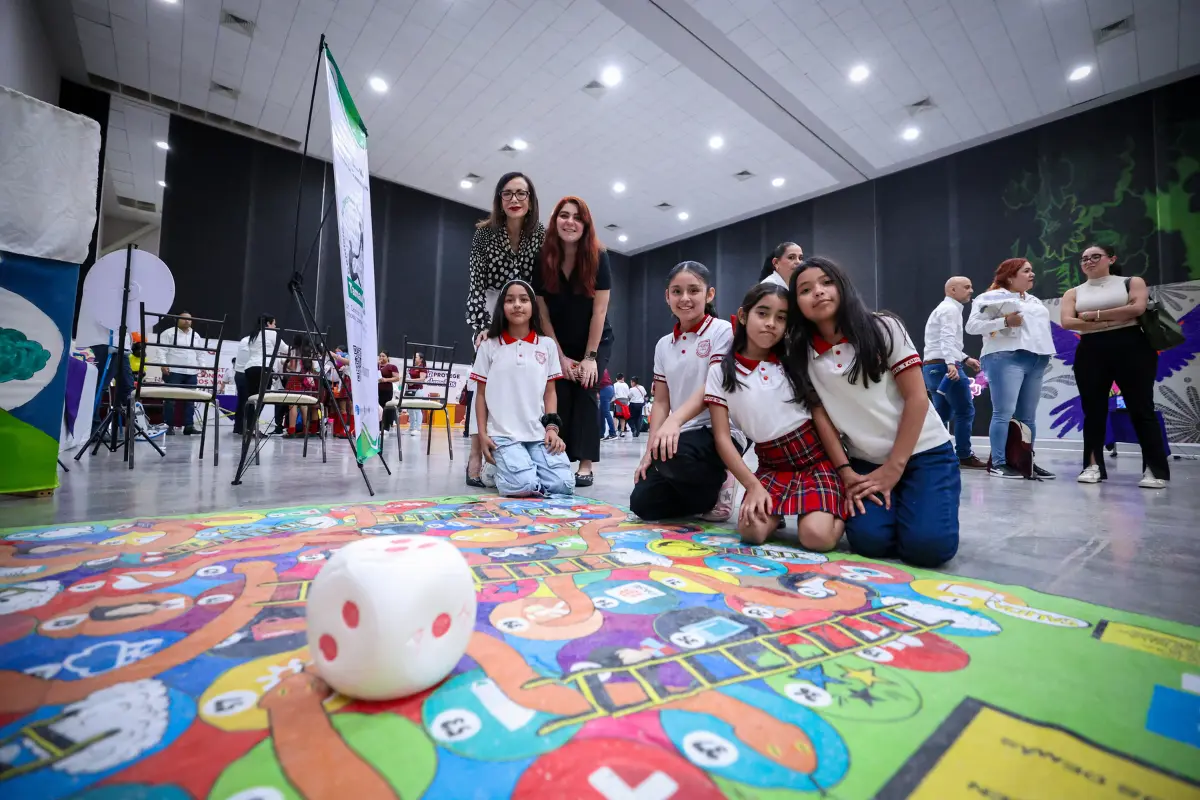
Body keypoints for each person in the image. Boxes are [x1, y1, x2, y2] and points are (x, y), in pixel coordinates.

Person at [789, 256, 960, 568]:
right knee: (871, 542)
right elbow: (821, 417)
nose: (818, 292)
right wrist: (845, 471)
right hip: (865, 461)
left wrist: (894, 469)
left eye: (827, 282)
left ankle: (926, 503)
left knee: (929, 548)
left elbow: (917, 398)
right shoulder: (801, 354)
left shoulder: (883, 327)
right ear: (796, 303)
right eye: (805, 289)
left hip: (924, 452)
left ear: (842, 286)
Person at [704, 283, 846, 548]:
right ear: (743, 316)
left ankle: (838, 506)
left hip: (815, 461)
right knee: (751, 531)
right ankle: (778, 512)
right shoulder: (720, 373)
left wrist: (843, 469)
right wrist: (753, 485)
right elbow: (723, 439)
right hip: (772, 465)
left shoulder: (794, 361)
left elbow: (819, 414)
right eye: (763, 313)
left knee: (816, 538)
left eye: (781, 318)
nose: (771, 323)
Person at [629, 261, 740, 522]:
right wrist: (648, 452)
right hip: (680, 435)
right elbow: (661, 401)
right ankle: (706, 497)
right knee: (642, 503)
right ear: (667, 296)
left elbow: (712, 385)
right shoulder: (663, 345)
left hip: (719, 431)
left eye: (694, 290)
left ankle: (725, 474)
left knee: (670, 457)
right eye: (677, 291)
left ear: (709, 294)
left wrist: (675, 422)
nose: (685, 298)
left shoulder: (722, 330)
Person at [1060, 245, 1167, 488]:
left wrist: (1090, 316)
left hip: (1133, 347)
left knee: (1142, 409)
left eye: (1095, 256)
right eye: (1084, 258)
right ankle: (1092, 465)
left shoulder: (1131, 282)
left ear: (1111, 259)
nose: (1088, 261)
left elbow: (1138, 309)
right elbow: (1068, 321)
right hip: (1090, 350)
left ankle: (1153, 469)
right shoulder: (1074, 292)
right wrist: (1112, 319)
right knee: (1093, 411)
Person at [465, 172, 546, 487]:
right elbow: (476, 285)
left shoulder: (540, 234)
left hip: (528, 309)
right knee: (482, 381)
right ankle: (476, 453)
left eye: (521, 194)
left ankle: (522, 449)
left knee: (524, 382)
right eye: (508, 193)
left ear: (530, 199)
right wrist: (482, 327)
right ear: (499, 199)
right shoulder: (484, 234)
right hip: (492, 308)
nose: (515, 200)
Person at [533, 196, 613, 487]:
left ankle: (586, 463)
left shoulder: (599, 257)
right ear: (555, 221)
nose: (570, 222)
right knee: (560, 390)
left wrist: (590, 357)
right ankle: (557, 456)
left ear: (586, 225)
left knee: (587, 387)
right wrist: (559, 354)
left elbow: (600, 310)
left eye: (577, 217)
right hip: (558, 340)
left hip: (595, 339)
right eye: (564, 215)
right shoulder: (543, 258)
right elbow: (542, 312)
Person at [470, 280, 573, 497]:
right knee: (523, 486)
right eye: (510, 300)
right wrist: (482, 435)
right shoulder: (489, 346)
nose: (517, 305)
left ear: (533, 306)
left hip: (537, 434)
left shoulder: (547, 346)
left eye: (524, 300)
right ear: (501, 307)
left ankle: (522, 465)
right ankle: (496, 470)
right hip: (502, 435)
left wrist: (552, 429)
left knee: (564, 485)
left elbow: (550, 392)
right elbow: (480, 395)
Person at [966, 259, 1056, 479]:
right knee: (1003, 412)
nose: (1032, 274)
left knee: (1028, 416)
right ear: (1009, 276)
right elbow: (972, 327)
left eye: (1032, 270)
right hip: (1004, 357)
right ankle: (998, 463)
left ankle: (1026, 461)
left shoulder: (1034, 300)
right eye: (1026, 271)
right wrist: (1004, 322)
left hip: (1036, 359)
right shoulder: (989, 297)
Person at [922, 277, 987, 469]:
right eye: (966, 287)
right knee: (965, 411)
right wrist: (952, 363)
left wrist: (965, 359)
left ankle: (929, 454)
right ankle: (964, 455)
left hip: (932, 367)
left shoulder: (945, 309)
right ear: (952, 290)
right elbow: (947, 339)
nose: (971, 290)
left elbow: (942, 341)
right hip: (945, 367)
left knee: (941, 414)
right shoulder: (950, 310)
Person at [156, 311, 201, 435]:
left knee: (190, 399)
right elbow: (161, 350)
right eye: (184, 319)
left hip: (191, 371)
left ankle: (189, 426)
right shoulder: (169, 333)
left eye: (189, 319)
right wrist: (163, 364)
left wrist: (202, 366)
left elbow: (199, 353)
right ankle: (169, 425)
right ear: (177, 320)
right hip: (173, 371)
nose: (187, 321)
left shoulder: (196, 335)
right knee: (170, 399)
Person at [241, 315, 285, 436]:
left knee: (252, 399)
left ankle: (249, 428)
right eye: (274, 324)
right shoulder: (271, 333)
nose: (275, 326)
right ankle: (253, 428)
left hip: (250, 368)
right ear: (268, 324)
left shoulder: (252, 335)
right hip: (264, 368)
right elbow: (285, 348)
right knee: (261, 399)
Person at [232, 332, 251, 435]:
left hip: (240, 373)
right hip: (245, 373)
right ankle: (245, 427)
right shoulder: (250, 342)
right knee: (246, 402)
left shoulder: (244, 340)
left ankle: (239, 427)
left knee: (242, 401)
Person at [405, 352, 428, 436]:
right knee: (410, 409)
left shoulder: (423, 367)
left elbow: (422, 379)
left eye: (416, 357)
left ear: (421, 359)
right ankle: (412, 427)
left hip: (418, 390)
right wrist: (408, 381)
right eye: (413, 357)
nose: (414, 358)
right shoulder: (412, 367)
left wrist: (411, 381)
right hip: (410, 389)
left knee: (417, 409)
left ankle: (418, 428)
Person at [377, 351, 400, 433]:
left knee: (386, 408)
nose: (381, 358)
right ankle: (378, 427)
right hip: (376, 390)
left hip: (387, 389)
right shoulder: (376, 366)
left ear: (388, 358)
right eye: (380, 356)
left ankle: (385, 427)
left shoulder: (391, 367)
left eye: (383, 356)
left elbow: (397, 378)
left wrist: (386, 379)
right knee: (378, 408)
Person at [598, 369, 617, 440]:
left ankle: (613, 433)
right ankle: (601, 434)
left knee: (606, 412)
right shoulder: (603, 367)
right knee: (602, 412)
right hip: (609, 388)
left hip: (605, 389)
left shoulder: (597, 366)